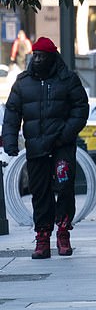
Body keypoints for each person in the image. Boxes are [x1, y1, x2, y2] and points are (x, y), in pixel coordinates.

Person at [2, 37, 89, 259]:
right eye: (35, 55)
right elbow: (12, 114)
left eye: (42, 56)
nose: (38, 59)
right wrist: (10, 142)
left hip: (62, 146)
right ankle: (42, 237)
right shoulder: (23, 82)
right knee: (40, 193)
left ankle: (63, 232)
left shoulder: (68, 80)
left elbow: (81, 109)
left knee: (65, 187)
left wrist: (65, 135)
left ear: (52, 57)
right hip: (36, 147)